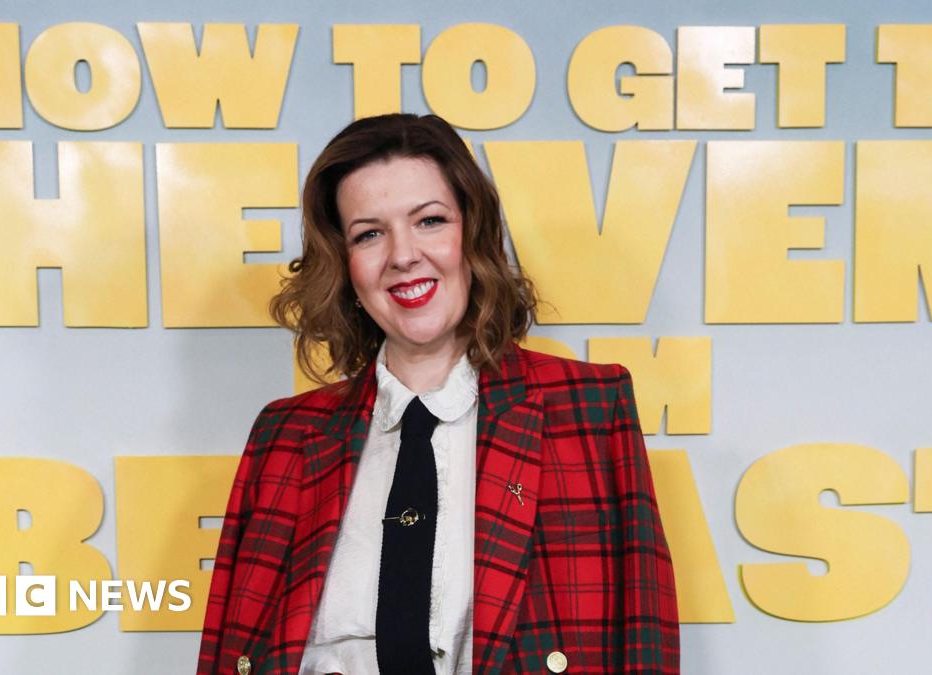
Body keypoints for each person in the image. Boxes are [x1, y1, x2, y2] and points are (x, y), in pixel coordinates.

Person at [197, 113, 679, 675]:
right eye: (369, 234)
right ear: (344, 265)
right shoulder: (286, 434)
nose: (402, 255)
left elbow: (644, 641)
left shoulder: (589, 407)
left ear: (472, 234)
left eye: (429, 221)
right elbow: (232, 650)